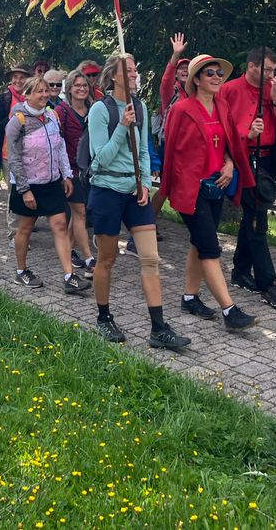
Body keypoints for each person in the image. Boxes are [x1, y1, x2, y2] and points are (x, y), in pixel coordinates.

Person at [88, 53, 191, 349]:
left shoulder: (141, 107)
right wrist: (121, 126)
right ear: (114, 75)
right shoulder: (100, 110)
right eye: (128, 70)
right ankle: (104, 317)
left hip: (136, 191)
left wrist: (145, 182)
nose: (134, 74)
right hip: (107, 188)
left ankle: (158, 328)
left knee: (150, 258)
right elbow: (100, 159)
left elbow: (144, 151)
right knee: (107, 258)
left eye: (135, 69)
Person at [161, 55, 257, 332]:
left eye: (219, 73)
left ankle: (189, 298)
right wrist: (171, 188)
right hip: (191, 190)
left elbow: (228, 144)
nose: (217, 77)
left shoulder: (222, 106)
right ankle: (230, 310)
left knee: (199, 243)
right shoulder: (181, 110)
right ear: (197, 80)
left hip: (218, 185)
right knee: (210, 248)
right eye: (210, 73)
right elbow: (171, 154)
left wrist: (229, 163)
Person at [218, 47, 276, 308]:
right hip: (244, 159)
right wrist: (246, 136)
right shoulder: (230, 90)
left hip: (267, 161)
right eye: (267, 69)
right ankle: (269, 283)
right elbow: (223, 126)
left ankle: (241, 271)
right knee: (258, 220)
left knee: (252, 216)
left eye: (274, 70)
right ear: (251, 66)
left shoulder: (272, 89)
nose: (271, 75)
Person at [6, 76, 92, 296]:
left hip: (52, 181)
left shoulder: (52, 115)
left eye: (46, 91)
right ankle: (21, 270)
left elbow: (60, 146)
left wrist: (66, 175)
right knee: (24, 228)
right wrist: (25, 190)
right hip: (29, 185)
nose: (44, 95)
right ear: (27, 95)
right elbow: (14, 158)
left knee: (61, 225)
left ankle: (69, 276)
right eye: (38, 92)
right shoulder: (18, 120)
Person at [55, 69, 96, 279]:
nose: (81, 89)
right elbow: (57, 143)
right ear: (69, 89)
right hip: (70, 170)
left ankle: (67, 249)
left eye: (84, 85)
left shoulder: (93, 108)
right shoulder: (61, 111)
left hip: (89, 169)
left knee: (79, 213)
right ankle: (89, 258)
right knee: (80, 212)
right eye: (77, 85)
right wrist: (63, 173)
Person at [150, 34, 191, 219]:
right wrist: (175, 56)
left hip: (190, 147)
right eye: (181, 69)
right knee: (166, 188)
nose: (185, 71)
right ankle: (147, 224)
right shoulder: (171, 93)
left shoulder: (198, 94)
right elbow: (165, 80)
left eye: (188, 69)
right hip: (171, 147)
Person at [0, 62, 31, 172]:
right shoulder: (4, 98)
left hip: (30, 156)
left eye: (22, 77)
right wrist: (9, 119)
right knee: (12, 189)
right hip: (8, 155)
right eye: (15, 77)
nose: (18, 81)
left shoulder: (32, 98)